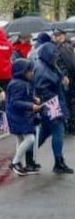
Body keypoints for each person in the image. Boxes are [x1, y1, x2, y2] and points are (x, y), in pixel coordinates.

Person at [33, 41, 72, 174]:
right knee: (58, 130)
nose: (56, 58)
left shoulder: (47, 65)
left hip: (52, 102)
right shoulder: (43, 69)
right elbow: (41, 89)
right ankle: (58, 162)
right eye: (54, 56)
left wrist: (62, 79)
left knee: (46, 132)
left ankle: (27, 154)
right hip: (51, 103)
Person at [7, 59, 41, 175]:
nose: (31, 73)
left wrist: (33, 99)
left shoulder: (21, 82)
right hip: (18, 116)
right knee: (30, 138)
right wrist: (31, 105)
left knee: (21, 139)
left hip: (19, 115)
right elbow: (15, 102)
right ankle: (15, 162)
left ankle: (19, 163)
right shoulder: (18, 84)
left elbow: (21, 98)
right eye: (29, 71)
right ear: (22, 71)